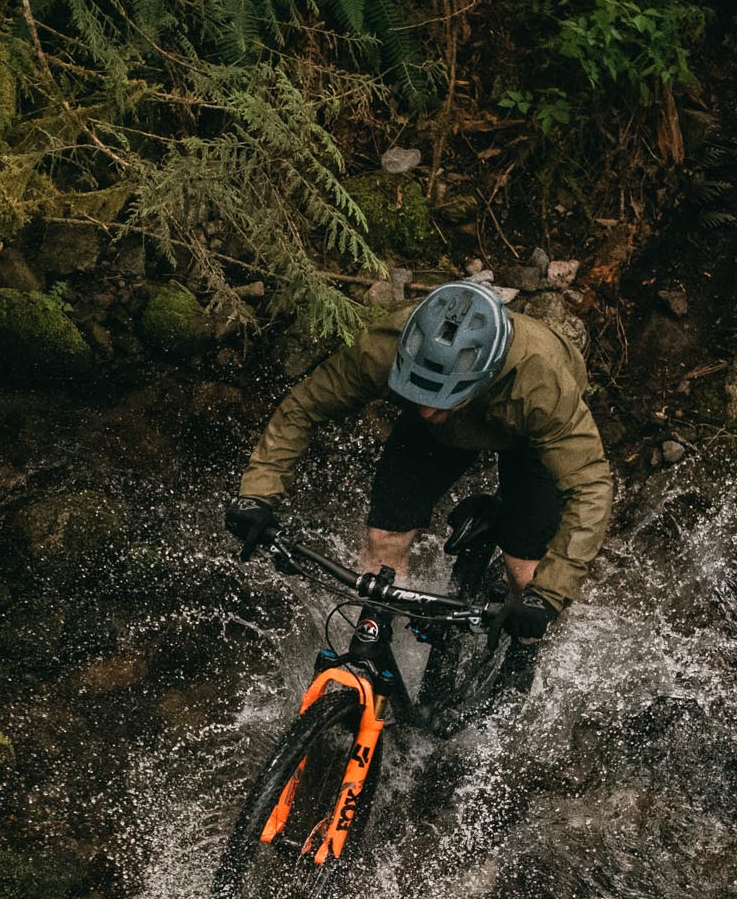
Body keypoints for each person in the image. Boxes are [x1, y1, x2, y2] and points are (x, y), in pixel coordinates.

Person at [224, 279, 614, 691]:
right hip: (446, 428)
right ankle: (373, 657)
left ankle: (523, 657)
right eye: (420, 393)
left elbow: (590, 488)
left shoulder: (541, 383)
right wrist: (257, 493)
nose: (426, 410)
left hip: (528, 434)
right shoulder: (385, 348)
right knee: (384, 537)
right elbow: (304, 407)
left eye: (440, 399)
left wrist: (546, 597)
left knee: (525, 571)